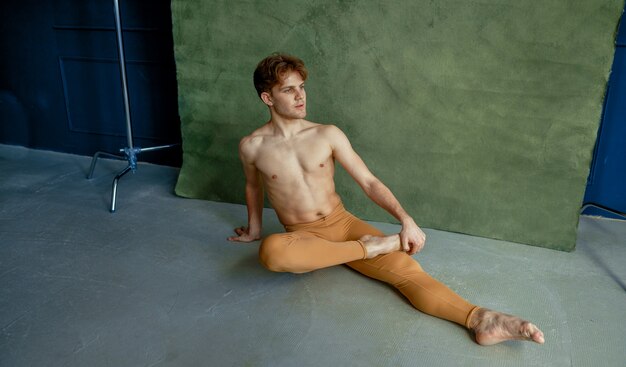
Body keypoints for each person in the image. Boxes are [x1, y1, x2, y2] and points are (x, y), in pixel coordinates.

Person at [228, 53, 545, 346]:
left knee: (408, 273)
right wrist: (255, 230)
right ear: (267, 98)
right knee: (271, 252)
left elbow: (368, 181)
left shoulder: (327, 134)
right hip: (302, 233)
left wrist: (406, 220)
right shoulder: (252, 147)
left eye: (302, 87)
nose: (301, 96)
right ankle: (370, 247)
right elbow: (253, 187)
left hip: (343, 225)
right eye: (289, 90)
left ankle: (482, 319)